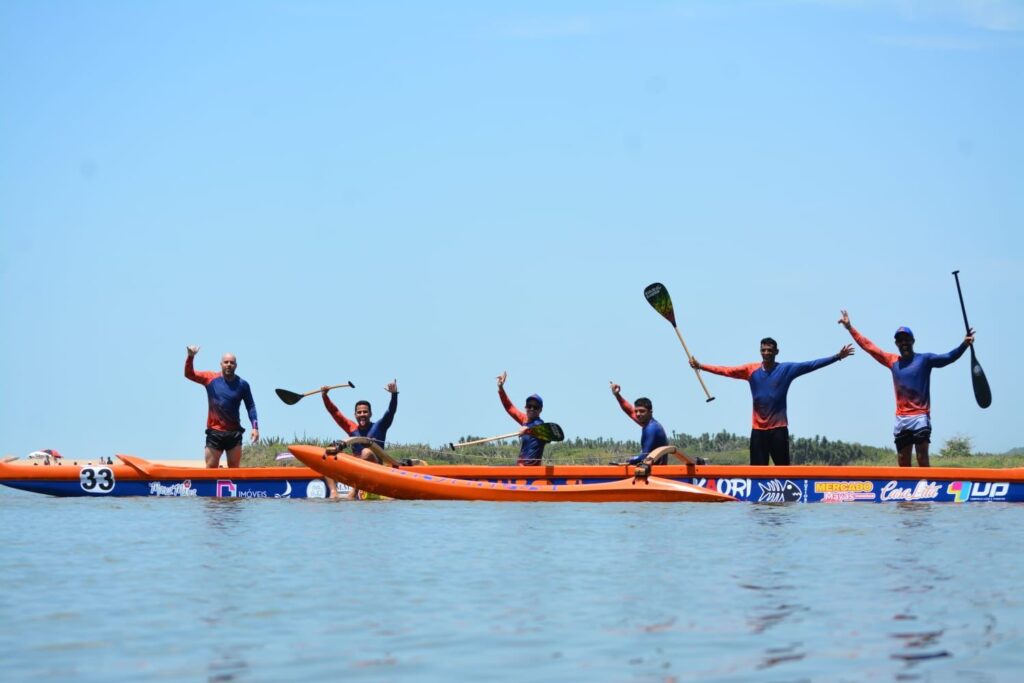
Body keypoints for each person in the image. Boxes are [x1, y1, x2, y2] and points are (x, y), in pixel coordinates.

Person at [838, 310, 974, 467]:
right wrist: (850, 327)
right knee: (903, 461)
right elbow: (868, 346)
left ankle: (927, 488)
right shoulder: (892, 361)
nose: (903, 342)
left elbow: (948, 357)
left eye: (906, 339)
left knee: (922, 457)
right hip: (902, 419)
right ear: (896, 344)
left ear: (913, 341)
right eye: (900, 340)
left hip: (920, 417)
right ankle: (906, 490)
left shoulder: (925, 359)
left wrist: (964, 345)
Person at [690, 338, 854, 466]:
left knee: (782, 468)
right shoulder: (750, 370)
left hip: (779, 430)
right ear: (760, 352)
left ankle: (783, 507)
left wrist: (837, 357)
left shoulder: (786, 369)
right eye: (763, 350)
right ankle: (759, 509)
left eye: (769, 350)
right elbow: (726, 370)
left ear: (776, 352)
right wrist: (701, 366)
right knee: (757, 470)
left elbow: (811, 365)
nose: (766, 353)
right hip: (758, 431)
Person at [184, 346, 259, 468]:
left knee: (234, 470)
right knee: (211, 469)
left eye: (232, 363)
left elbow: (250, 406)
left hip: (234, 433)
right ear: (221, 364)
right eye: (226, 362)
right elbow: (189, 374)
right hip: (215, 433)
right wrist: (190, 356)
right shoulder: (210, 378)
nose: (229, 365)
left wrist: (255, 427)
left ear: (236, 365)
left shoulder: (243, 385)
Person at [322, 380, 399, 498]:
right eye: (359, 412)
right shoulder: (351, 428)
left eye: (365, 412)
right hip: (355, 469)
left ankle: (353, 492)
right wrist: (325, 396)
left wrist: (394, 394)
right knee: (330, 450)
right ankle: (333, 493)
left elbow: (391, 412)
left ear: (370, 414)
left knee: (366, 452)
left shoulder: (380, 426)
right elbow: (335, 412)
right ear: (355, 415)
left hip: (376, 470)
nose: (362, 414)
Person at [609, 382, 669, 465]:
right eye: (636, 411)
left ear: (650, 412)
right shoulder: (648, 423)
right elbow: (630, 411)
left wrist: (630, 460)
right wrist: (617, 395)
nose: (638, 414)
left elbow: (644, 457)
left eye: (642, 411)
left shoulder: (651, 428)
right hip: (649, 470)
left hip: (655, 473)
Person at [496, 371, 547, 466]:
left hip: (532, 474)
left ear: (540, 410)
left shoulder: (541, 425)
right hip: (519, 470)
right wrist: (500, 388)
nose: (532, 409)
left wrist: (529, 430)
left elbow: (548, 435)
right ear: (526, 407)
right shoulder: (525, 420)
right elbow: (510, 408)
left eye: (535, 407)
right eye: (529, 406)